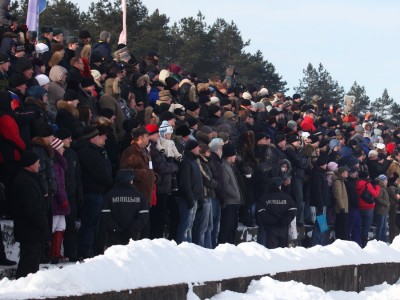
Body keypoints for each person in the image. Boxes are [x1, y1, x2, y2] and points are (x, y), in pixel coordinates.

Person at [76, 126, 113, 259]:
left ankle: (91, 251)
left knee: (95, 224)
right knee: (90, 224)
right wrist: (109, 182)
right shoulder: (87, 152)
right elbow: (99, 172)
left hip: (98, 191)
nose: (104, 138)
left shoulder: (97, 151)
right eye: (100, 136)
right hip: (91, 192)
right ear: (92, 138)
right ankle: (85, 252)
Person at [13, 151, 50, 278]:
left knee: (31, 264)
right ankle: (22, 290)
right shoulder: (25, 181)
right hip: (30, 230)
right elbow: (32, 208)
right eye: (37, 163)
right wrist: (44, 224)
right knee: (28, 265)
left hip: (31, 230)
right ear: (30, 164)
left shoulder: (29, 179)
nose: (39, 165)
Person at [101, 169, 149, 249]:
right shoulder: (140, 197)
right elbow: (143, 217)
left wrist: (116, 229)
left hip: (113, 237)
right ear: (131, 180)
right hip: (133, 238)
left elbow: (105, 216)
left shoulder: (109, 196)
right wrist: (133, 230)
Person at [175, 139, 203, 244]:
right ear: (192, 148)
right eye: (197, 147)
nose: (199, 149)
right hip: (186, 199)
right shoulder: (185, 161)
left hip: (194, 198)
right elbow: (184, 182)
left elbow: (198, 181)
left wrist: (199, 199)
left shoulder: (194, 161)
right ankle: (182, 246)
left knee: (190, 225)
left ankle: (189, 248)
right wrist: (190, 199)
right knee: (185, 225)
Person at [257, 177, 297, 249]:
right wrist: (284, 221)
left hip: (270, 229)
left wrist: (272, 221)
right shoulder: (287, 198)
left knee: (272, 252)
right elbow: (293, 210)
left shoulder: (264, 198)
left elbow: (261, 211)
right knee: (282, 253)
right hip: (284, 228)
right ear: (279, 186)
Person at [219, 143, 243, 244]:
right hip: (229, 202)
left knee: (233, 227)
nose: (235, 157)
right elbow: (226, 184)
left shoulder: (230, 166)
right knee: (227, 228)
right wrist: (236, 195)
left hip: (234, 202)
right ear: (229, 155)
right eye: (234, 154)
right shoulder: (224, 166)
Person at [333, 166, 350, 241]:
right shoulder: (338, 182)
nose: (347, 174)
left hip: (344, 208)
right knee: (342, 228)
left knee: (344, 228)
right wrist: (342, 207)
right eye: (346, 172)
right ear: (342, 173)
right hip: (341, 209)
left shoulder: (341, 181)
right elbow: (338, 195)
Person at [374, 174, 390, 242]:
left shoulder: (384, 188)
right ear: (382, 181)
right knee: (380, 227)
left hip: (384, 211)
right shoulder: (380, 188)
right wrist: (386, 203)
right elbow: (378, 198)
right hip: (380, 210)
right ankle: (379, 241)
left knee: (384, 227)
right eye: (386, 180)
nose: (387, 181)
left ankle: (383, 241)